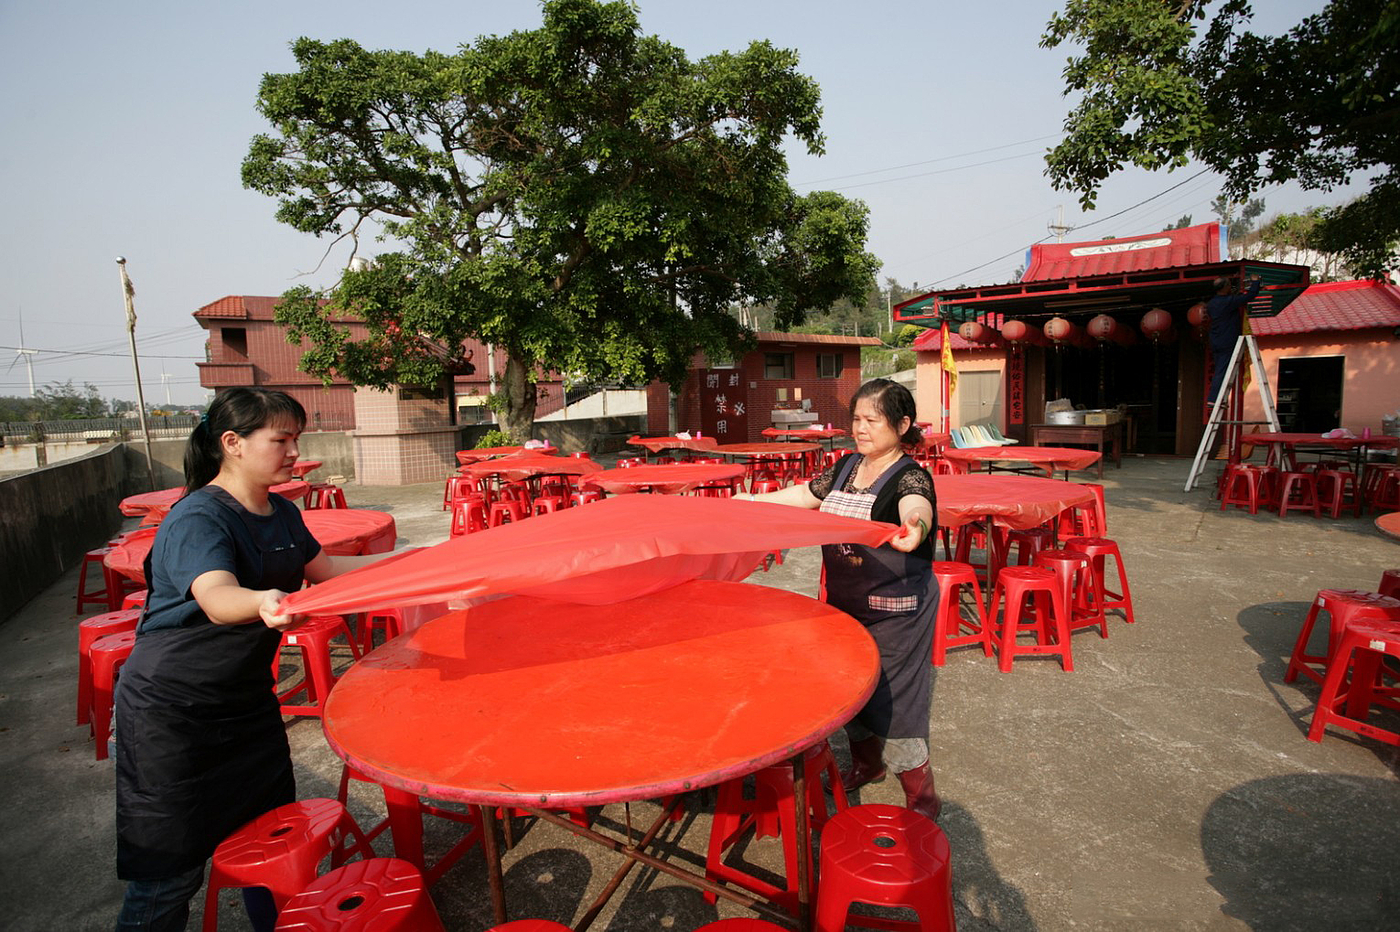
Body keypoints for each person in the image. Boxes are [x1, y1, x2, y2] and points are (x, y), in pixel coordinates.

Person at [113, 388, 394, 932]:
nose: (294, 452)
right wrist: (262, 601)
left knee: (270, 838)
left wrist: (420, 561)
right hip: (171, 714)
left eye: (296, 439)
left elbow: (328, 569)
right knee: (171, 868)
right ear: (232, 443)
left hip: (243, 703)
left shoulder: (282, 511)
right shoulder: (198, 517)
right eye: (281, 440)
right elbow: (217, 597)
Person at [746, 378, 942, 821]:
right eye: (857, 418)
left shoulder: (910, 474)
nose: (861, 428)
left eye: (873, 420)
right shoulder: (847, 466)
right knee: (845, 687)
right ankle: (868, 764)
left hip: (897, 611)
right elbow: (805, 495)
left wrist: (917, 527)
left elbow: (918, 505)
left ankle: (921, 790)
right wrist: (751, 501)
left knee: (895, 700)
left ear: (902, 424)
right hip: (845, 600)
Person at [1206, 273, 1263, 405]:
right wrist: (1255, 282)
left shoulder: (1212, 304)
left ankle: (1219, 398)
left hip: (1215, 340)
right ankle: (1214, 399)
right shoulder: (1228, 302)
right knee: (1222, 370)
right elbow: (1250, 296)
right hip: (1227, 340)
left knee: (1221, 369)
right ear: (1225, 287)